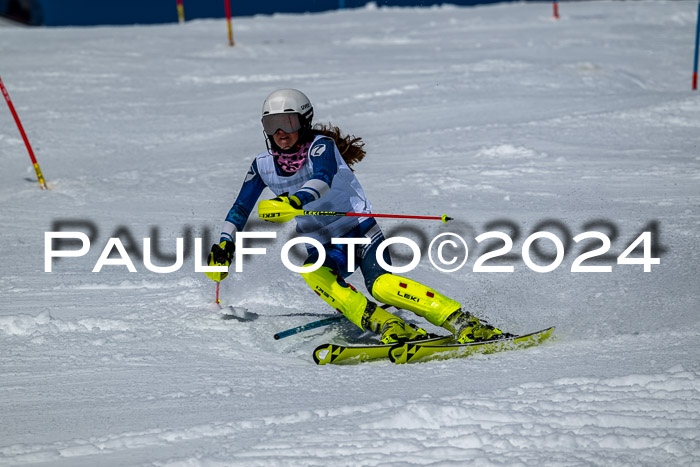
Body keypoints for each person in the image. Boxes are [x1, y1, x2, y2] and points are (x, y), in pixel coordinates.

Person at [207, 89, 507, 344]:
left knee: (381, 286)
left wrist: (295, 199)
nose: (280, 133)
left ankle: (463, 322)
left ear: (304, 122)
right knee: (313, 273)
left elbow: (322, 177)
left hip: (359, 231)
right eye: (271, 124)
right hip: (323, 243)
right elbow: (240, 208)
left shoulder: (321, 146)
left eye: (287, 122)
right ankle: (385, 324)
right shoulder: (262, 164)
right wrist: (224, 246)